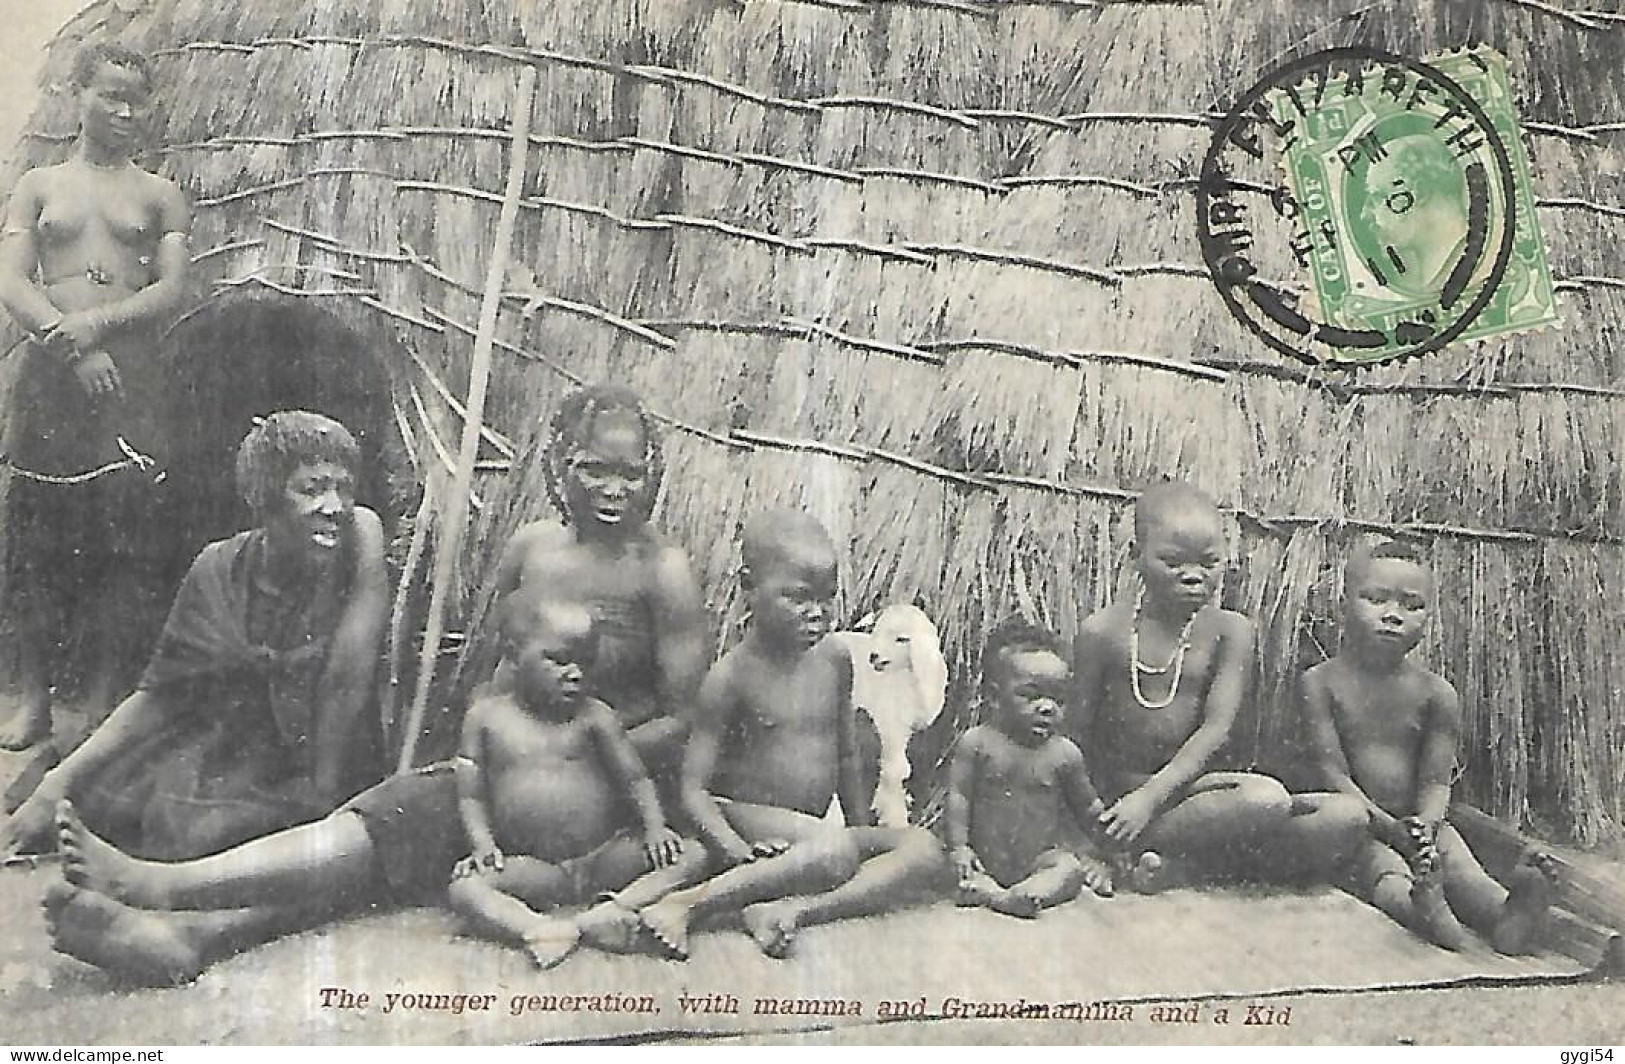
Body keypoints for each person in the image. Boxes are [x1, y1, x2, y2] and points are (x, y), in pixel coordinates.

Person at [3, 411, 387, 861]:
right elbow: (159, 699)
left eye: (343, 486)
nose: (335, 505)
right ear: (264, 499)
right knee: (107, 797)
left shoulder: (360, 542)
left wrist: (321, 800)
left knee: (201, 833)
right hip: (233, 747)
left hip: (324, 757)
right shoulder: (217, 569)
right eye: (311, 489)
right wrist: (53, 790)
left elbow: (346, 682)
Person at [635, 509, 944, 960]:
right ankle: (686, 905)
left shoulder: (835, 659)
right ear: (748, 589)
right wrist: (737, 850)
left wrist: (861, 836)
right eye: (797, 597)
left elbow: (845, 757)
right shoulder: (732, 677)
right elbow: (694, 790)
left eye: (827, 598)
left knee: (924, 849)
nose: (816, 613)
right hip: (745, 824)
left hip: (811, 835)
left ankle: (795, 909)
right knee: (833, 853)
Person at [0, 42, 191, 749]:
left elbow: (171, 290)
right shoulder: (40, 185)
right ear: (77, 94)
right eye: (109, 94)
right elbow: (13, 280)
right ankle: (32, 698)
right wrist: (68, 340)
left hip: (129, 382)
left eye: (135, 100)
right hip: (52, 378)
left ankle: (105, 695)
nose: (123, 110)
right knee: (38, 542)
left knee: (122, 539)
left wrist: (95, 326)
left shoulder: (159, 195)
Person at [1072, 481, 1362, 891]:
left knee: (1340, 816)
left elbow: (1216, 729)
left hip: (1197, 798)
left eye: (1208, 563)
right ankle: (1120, 847)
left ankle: (1170, 865)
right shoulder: (1102, 632)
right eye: (1173, 562)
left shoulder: (1231, 631)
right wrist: (1098, 818)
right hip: (1120, 795)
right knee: (1266, 802)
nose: (1193, 576)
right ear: (1136, 557)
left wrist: (1151, 800)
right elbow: (1075, 738)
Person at [1301, 540, 1556, 952]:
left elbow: (1437, 781)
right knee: (1385, 873)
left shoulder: (1437, 693)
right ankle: (1425, 911)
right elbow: (1332, 773)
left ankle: (1508, 916)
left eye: (1411, 605)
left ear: (1428, 617)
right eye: (1376, 599)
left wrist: (1426, 826)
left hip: (1420, 825)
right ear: (1343, 604)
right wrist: (1389, 828)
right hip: (1363, 826)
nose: (1392, 615)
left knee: (1459, 866)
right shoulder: (1320, 682)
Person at [448, 594, 704, 968]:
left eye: (585, 662)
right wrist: (483, 845)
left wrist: (655, 828)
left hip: (602, 857)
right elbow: (470, 795)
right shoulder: (485, 719)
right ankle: (536, 927)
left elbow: (635, 779)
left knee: (693, 853)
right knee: (465, 889)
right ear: (515, 654)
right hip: (538, 870)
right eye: (559, 660)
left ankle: (611, 910)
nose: (575, 673)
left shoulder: (596, 718)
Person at [488, 385, 707, 788]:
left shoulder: (663, 571)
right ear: (559, 465)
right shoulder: (530, 549)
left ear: (651, 475)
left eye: (630, 475)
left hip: (620, 769)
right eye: (594, 470)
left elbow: (682, 719)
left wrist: (575, 755)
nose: (613, 490)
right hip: (516, 756)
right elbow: (498, 671)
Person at [945, 620, 1113, 918]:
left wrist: (1101, 855)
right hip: (984, 859)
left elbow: (1089, 809)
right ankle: (998, 892)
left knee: (1068, 868)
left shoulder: (1064, 754)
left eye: (1058, 700)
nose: (1047, 707)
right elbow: (959, 798)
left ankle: (1011, 896)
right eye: (1032, 695)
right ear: (995, 697)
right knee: (955, 869)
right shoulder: (977, 743)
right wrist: (960, 847)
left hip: (1038, 861)